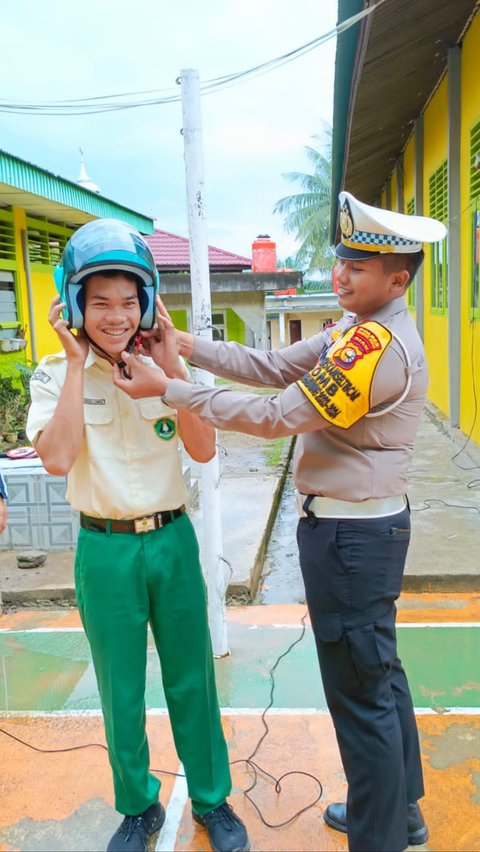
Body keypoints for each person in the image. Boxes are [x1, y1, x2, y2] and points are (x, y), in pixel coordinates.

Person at [112, 192, 447, 852]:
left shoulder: (373, 349)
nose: (340, 276)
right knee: (378, 677)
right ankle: (397, 811)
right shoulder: (356, 331)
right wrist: (183, 346)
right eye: (341, 262)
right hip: (359, 533)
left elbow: (276, 414)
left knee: (360, 695)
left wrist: (169, 388)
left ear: (397, 280)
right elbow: (269, 367)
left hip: (353, 540)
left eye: (357, 268)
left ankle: (379, 837)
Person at [26, 219, 250, 852]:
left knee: (191, 680)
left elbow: (203, 450)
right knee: (119, 686)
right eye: (100, 303)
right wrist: (76, 368)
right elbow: (56, 459)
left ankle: (212, 800)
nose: (116, 316)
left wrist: (171, 370)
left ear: (147, 301)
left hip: (172, 541)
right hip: (104, 549)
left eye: (129, 301)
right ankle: (138, 806)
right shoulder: (53, 375)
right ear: (74, 304)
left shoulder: (164, 367)